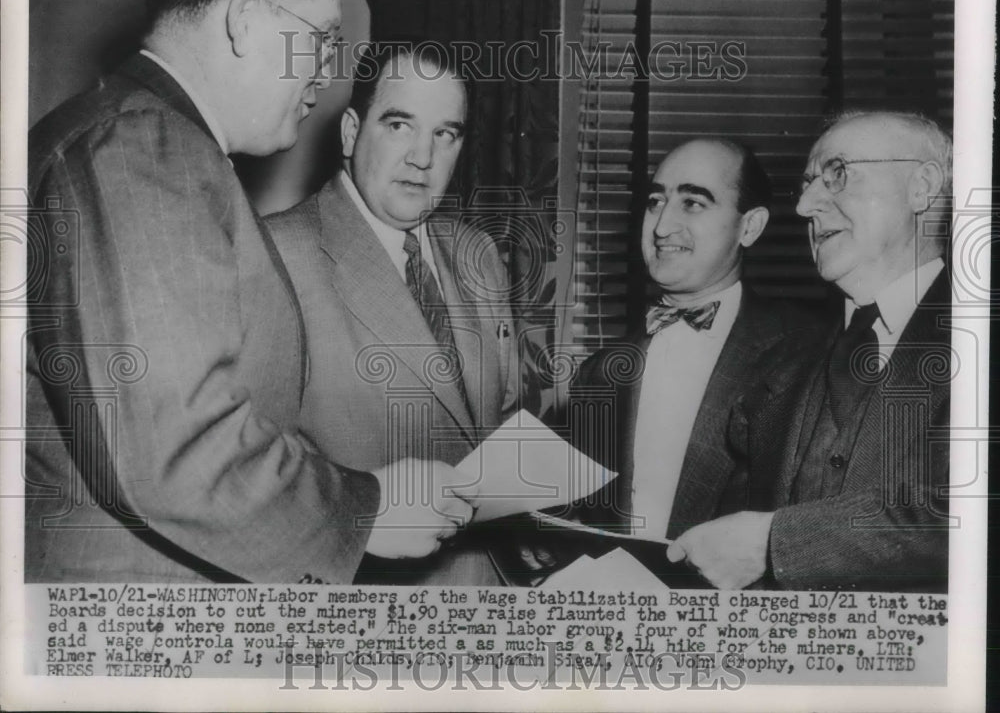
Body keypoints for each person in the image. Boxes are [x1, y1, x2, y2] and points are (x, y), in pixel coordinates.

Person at [25, 0, 471, 584]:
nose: (327, 74)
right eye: (322, 38)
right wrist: (365, 508)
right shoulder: (141, 147)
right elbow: (175, 448)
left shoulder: (156, 144)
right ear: (245, 18)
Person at [667, 111, 952, 592]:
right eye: (807, 183)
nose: (804, 205)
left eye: (836, 174)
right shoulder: (781, 362)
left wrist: (777, 543)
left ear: (921, 187)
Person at [266, 44, 518, 585]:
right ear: (352, 133)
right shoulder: (277, 254)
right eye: (400, 124)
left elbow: (496, 421)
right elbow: (247, 469)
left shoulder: (481, 257)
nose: (422, 158)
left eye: (445, 134)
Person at [568, 138, 822, 548]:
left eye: (693, 203)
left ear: (750, 226)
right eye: (655, 202)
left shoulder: (812, 354)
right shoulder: (597, 374)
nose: (662, 226)